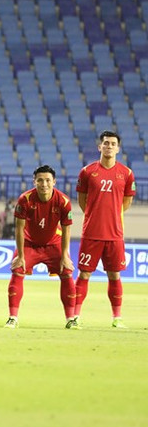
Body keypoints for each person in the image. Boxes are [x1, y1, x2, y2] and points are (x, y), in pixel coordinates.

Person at [72, 130, 136, 329]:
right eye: (106, 143)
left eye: (112, 143)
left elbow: (126, 202)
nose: (109, 146)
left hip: (115, 234)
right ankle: (75, 316)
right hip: (91, 232)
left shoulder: (126, 173)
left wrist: (111, 215)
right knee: (83, 275)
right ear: (100, 147)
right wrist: (95, 214)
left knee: (114, 275)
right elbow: (82, 201)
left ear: (118, 148)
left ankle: (117, 317)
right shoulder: (87, 172)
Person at [5, 165, 75, 328]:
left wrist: (65, 255)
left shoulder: (63, 201)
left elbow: (66, 230)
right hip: (29, 243)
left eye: (48, 180)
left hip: (53, 243)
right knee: (17, 269)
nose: (44, 184)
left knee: (67, 272)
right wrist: (21, 256)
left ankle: (70, 319)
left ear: (54, 182)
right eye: (40, 180)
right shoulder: (25, 199)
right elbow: (19, 229)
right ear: (34, 182)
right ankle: (13, 318)